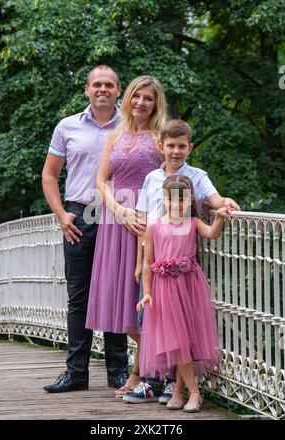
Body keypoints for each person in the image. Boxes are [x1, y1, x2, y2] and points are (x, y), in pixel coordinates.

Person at [124, 119, 240, 403]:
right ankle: (155, 380)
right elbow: (145, 221)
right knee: (151, 322)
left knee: (182, 326)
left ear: (189, 147)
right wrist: (141, 262)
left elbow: (212, 198)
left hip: (182, 268)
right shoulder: (151, 179)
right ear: (161, 147)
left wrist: (224, 202)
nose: (176, 151)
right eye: (171, 146)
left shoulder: (196, 177)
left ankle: (175, 386)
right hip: (155, 259)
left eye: (182, 146)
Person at [42, 65, 129, 393]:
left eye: (109, 84)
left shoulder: (132, 126)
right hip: (80, 217)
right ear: (87, 90)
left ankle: (118, 372)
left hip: (118, 214)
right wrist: (62, 214)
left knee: (115, 293)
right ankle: (76, 372)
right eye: (97, 84)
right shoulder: (67, 127)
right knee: (79, 297)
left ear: (118, 90)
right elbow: (49, 174)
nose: (102, 89)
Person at [85, 75, 168, 396]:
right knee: (120, 305)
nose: (140, 103)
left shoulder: (161, 135)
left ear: (155, 103)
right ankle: (148, 372)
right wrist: (120, 212)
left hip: (148, 222)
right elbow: (101, 181)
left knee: (141, 302)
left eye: (148, 98)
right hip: (115, 222)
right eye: (136, 96)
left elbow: (176, 176)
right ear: (128, 97)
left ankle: (152, 372)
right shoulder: (116, 134)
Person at [137, 175, 231, 412]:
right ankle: (191, 392)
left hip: (189, 286)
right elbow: (148, 263)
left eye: (182, 200)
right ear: (164, 199)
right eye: (171, 199)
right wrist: (146, 293)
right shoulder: (154, 226)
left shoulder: (193, 223)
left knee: (185, 341)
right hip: (164, 289)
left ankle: (183, 392)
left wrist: (219, 217)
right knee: (176, 342)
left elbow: (213, 233)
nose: (177, 205)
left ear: (189, 199)